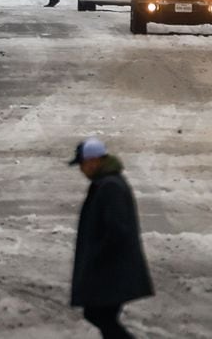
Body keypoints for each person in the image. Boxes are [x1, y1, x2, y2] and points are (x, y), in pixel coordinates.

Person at [69, 138, 153, 339]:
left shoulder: (110, 186)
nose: (81, 169)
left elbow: (117, 230)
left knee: (98, 314)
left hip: (112, 270)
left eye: (82, 163)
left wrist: (97, 256)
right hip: (112, 269)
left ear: (94, 161)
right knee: (100, 315)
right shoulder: (106, 182)